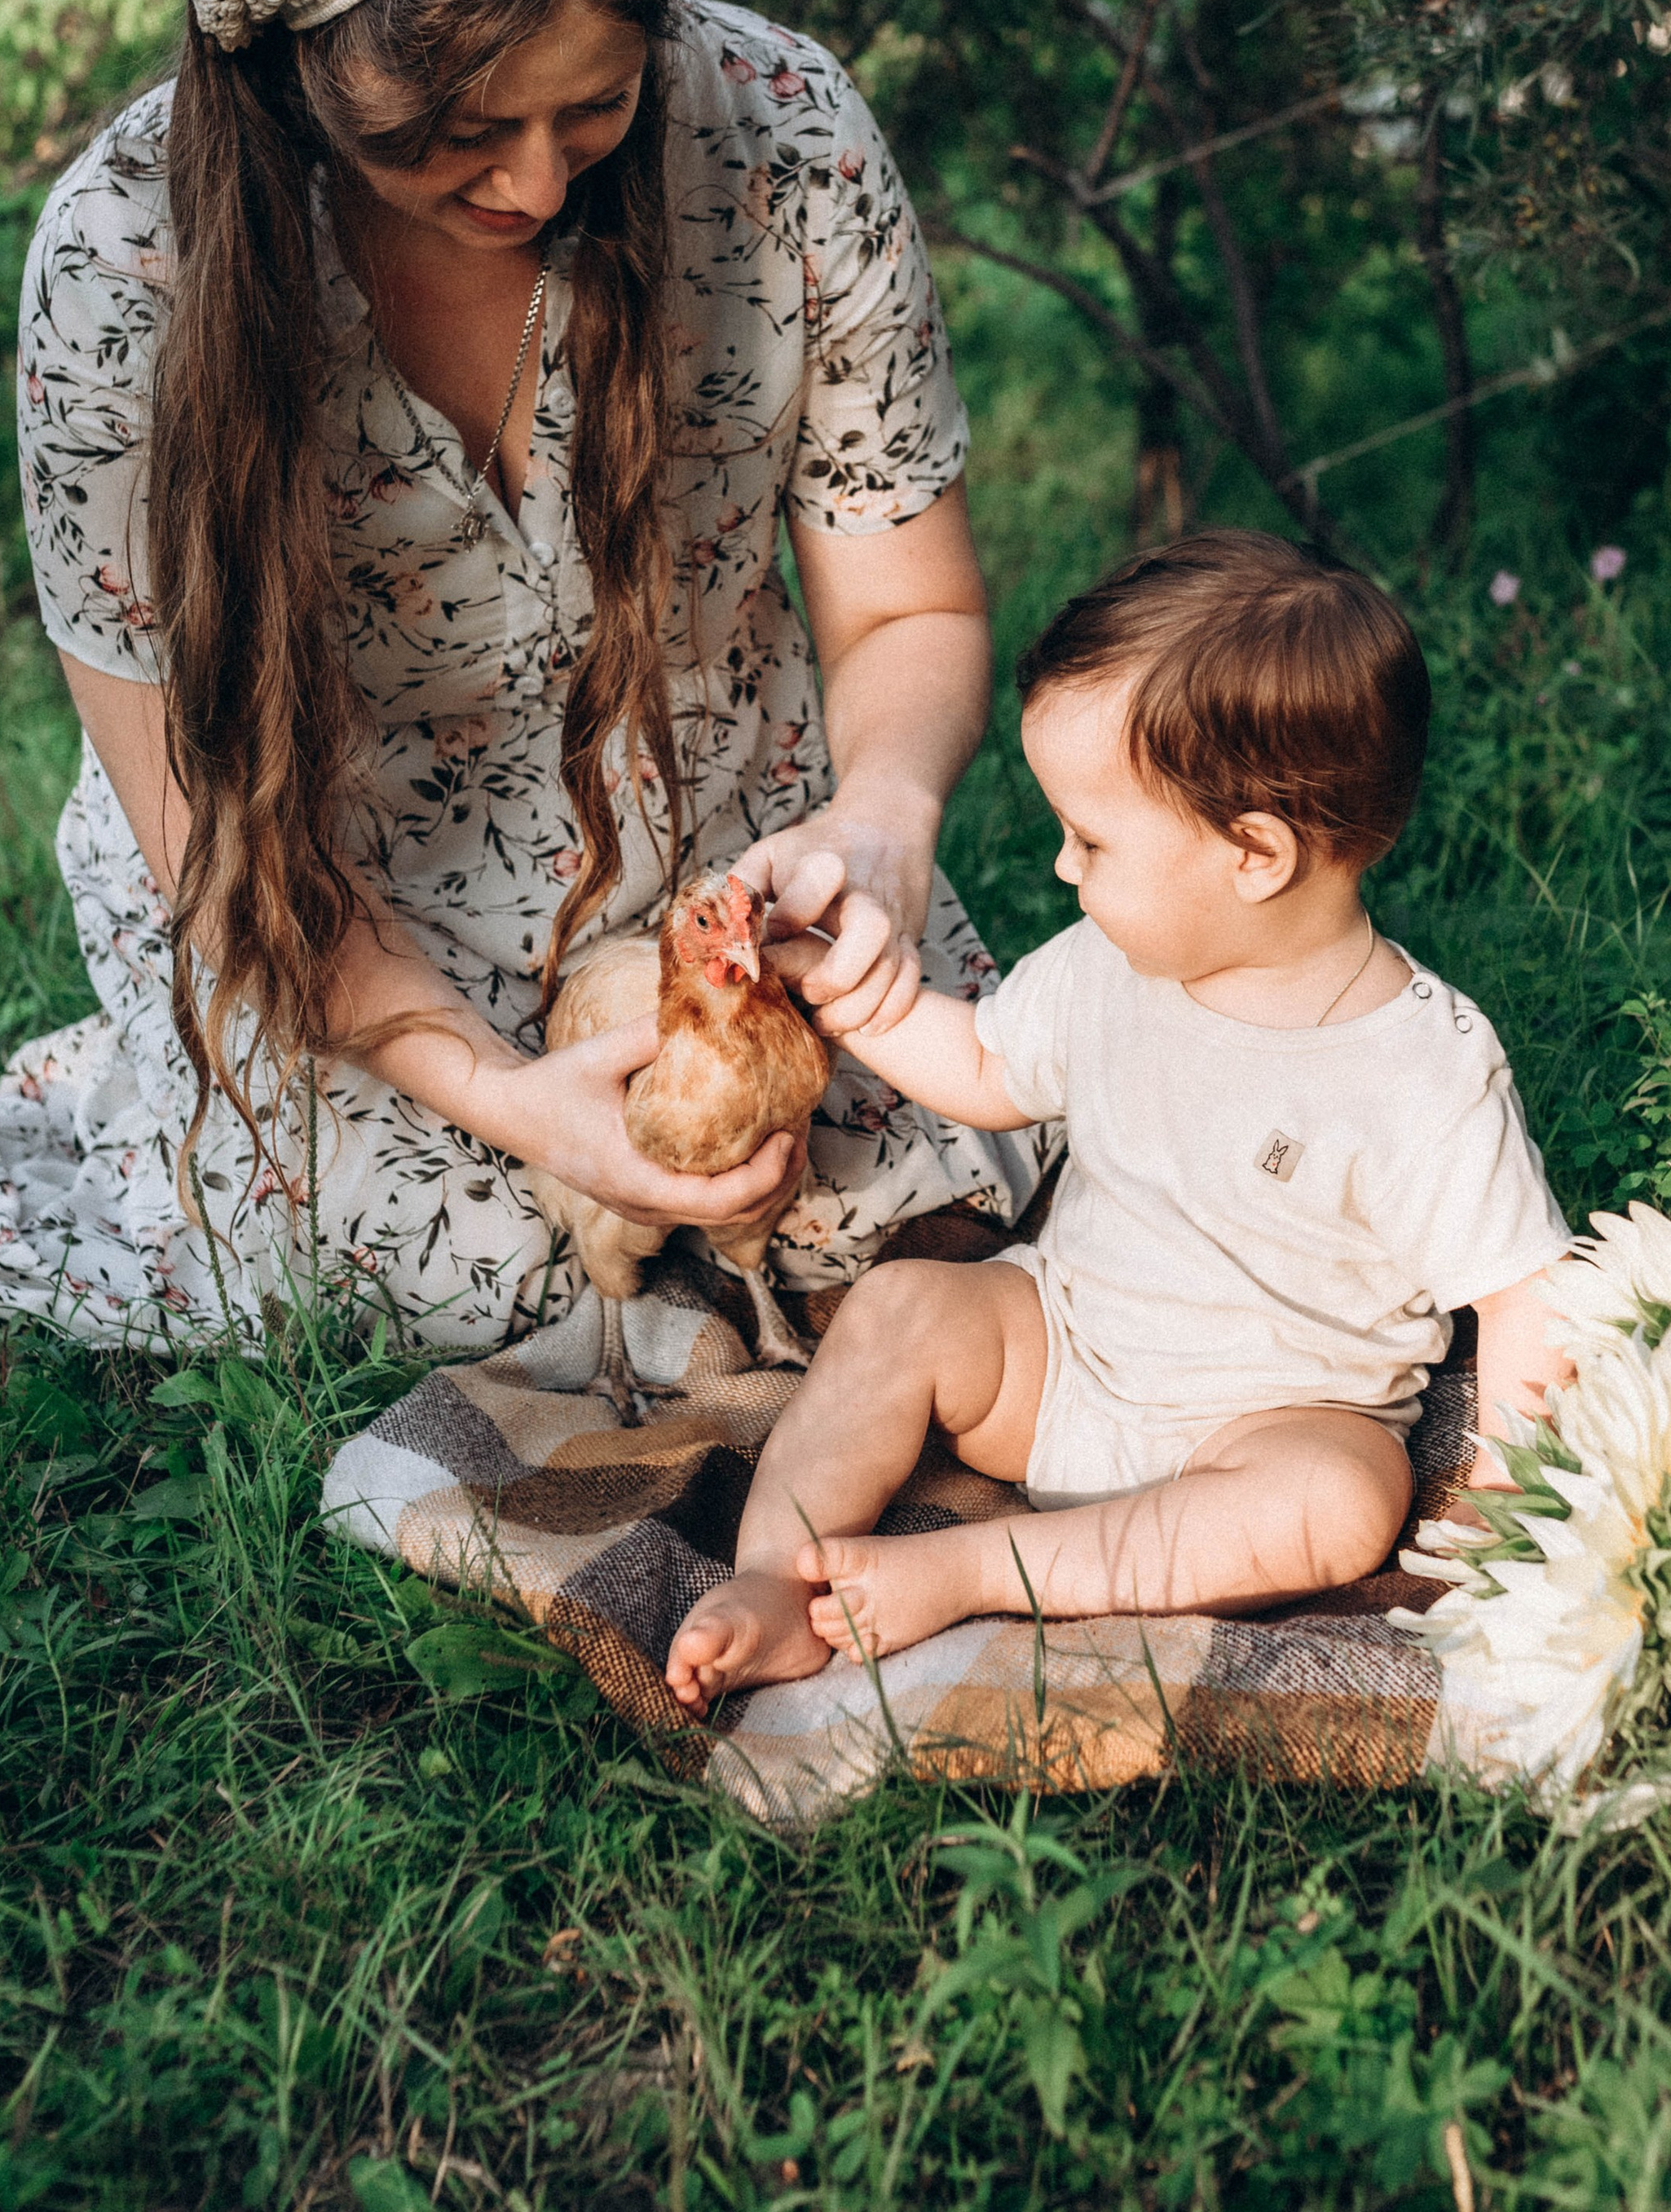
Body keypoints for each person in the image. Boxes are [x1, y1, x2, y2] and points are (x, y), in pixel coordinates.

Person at [0, 0, 1039, 1353]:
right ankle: (166, 1080)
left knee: (907, 1193)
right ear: (305, 69)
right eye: (448, 133)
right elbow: (212, 830)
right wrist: (512, 1099)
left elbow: (906, 610)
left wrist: (877, 825)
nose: (529, 185)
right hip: (322, 896)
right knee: (451, 1279)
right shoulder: (123, 266)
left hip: (725, 845)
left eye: (594, 109)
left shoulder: (786, 139)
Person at [666, 530, 1574, 1715]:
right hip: (1060, 1353)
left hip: (1266, 1423)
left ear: (1254, 854)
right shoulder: (1110, 965)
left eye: (1091, 840)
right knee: (903, 1308)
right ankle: (778, 1584)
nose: (1059, 865)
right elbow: (986, 1067)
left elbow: (1521, 1290)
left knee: (1345, 1501)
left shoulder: (1423, 1073)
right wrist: (831, 978)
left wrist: (1505, 1501)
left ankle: (970, 1572)